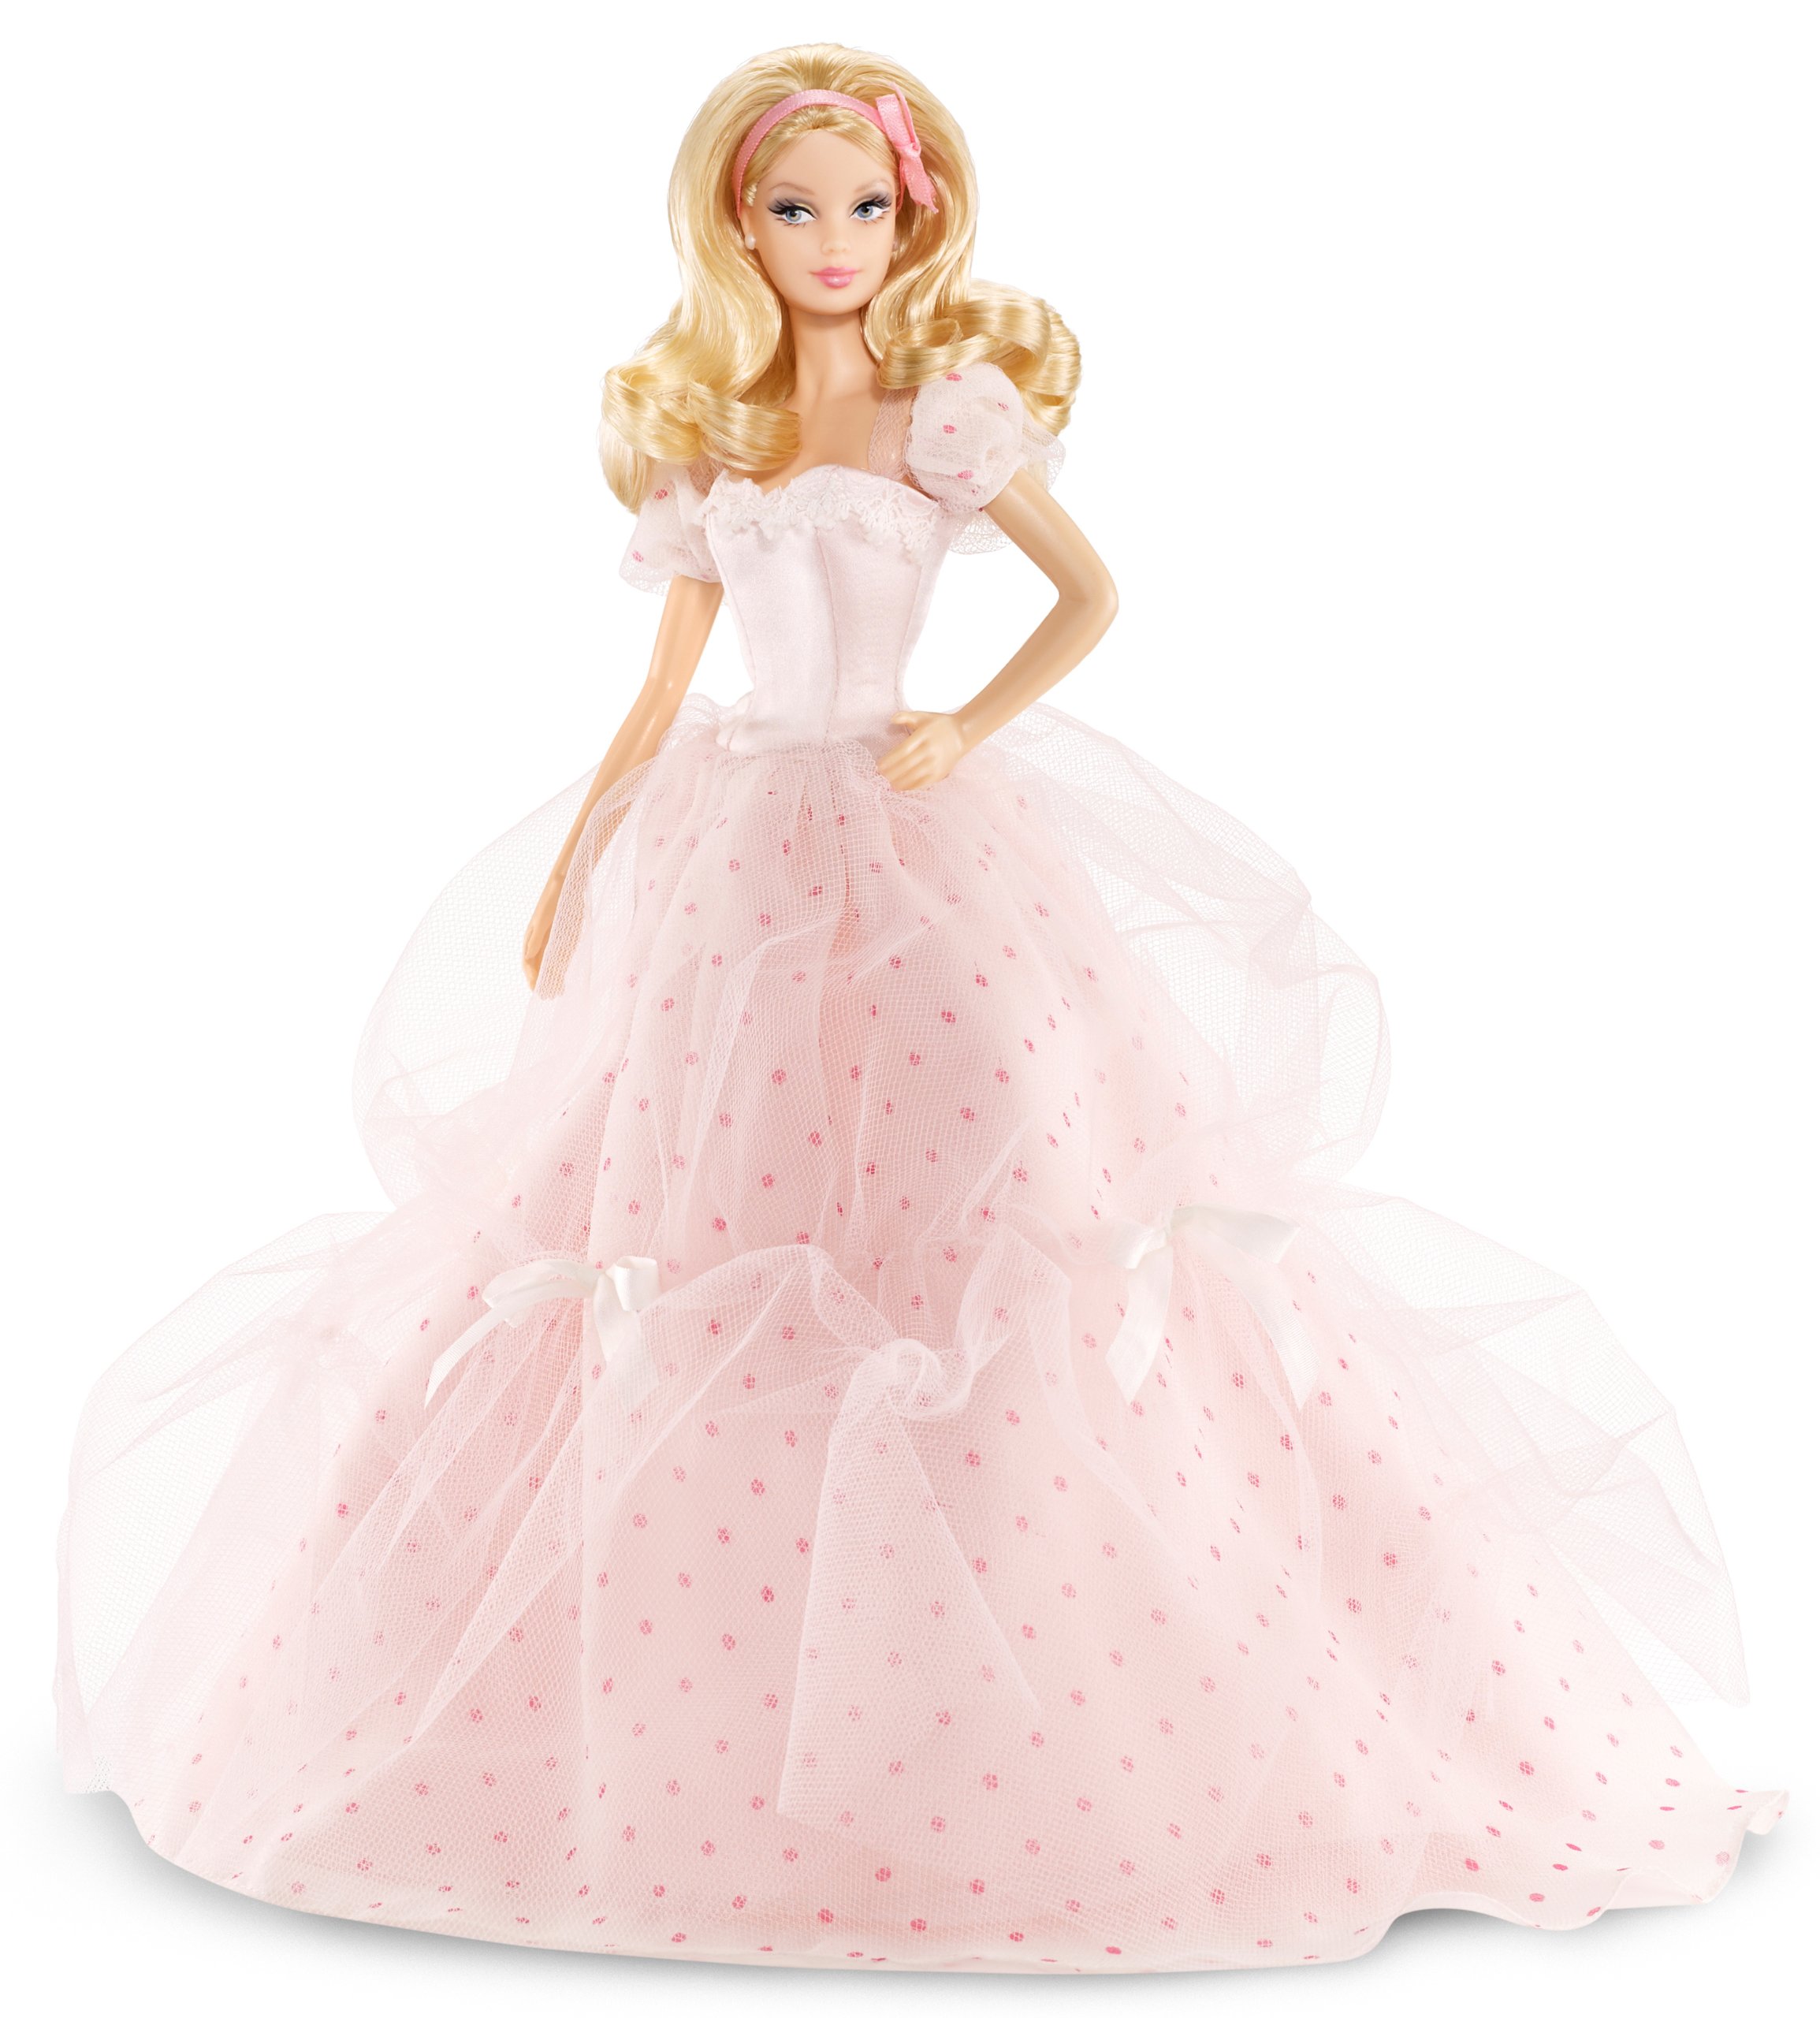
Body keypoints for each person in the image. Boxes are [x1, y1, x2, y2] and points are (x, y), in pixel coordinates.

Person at [55, 42, 1783, 1971]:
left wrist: (966, 722)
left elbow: (1088, 595)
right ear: (737, 224)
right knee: (681, 1208)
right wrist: (584, 846)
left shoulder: (943, 421)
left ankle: (1049, 1641)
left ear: (916, 215)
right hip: (731, 853)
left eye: (865, 206)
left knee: (1002, 1198)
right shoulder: (711, 436)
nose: (835, 241)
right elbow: (667, 676)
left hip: (919, 835)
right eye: (795, 208)